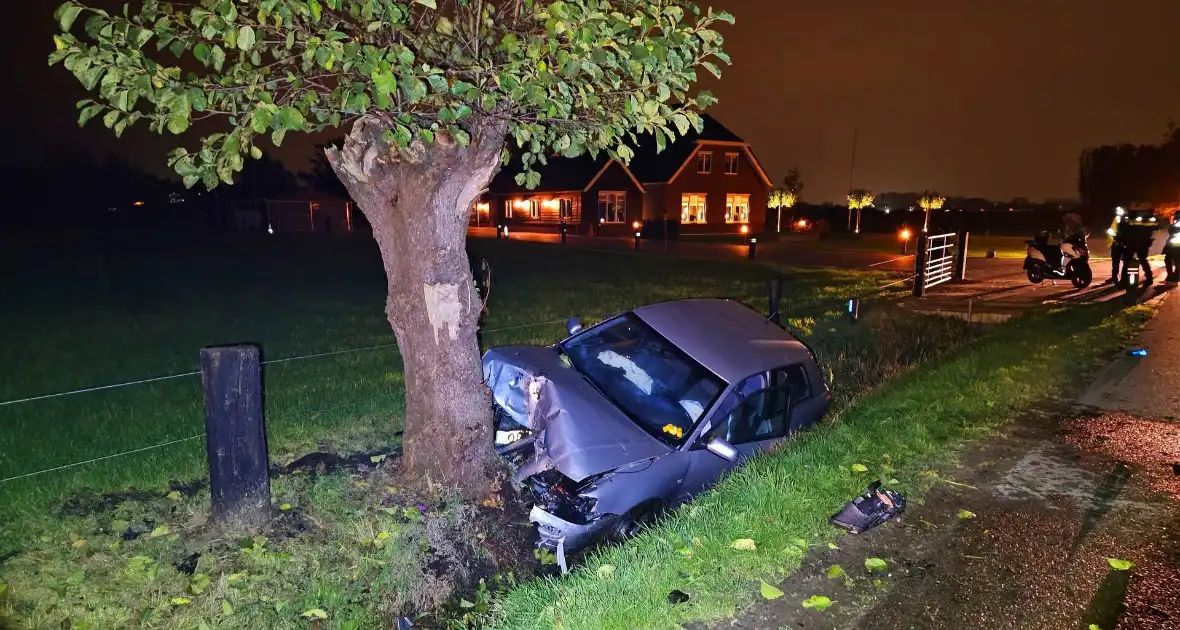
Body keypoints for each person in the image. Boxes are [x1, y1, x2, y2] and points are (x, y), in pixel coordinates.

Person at [1105, 208, 1124, 284]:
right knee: (1115, 261)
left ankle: (1118, 278)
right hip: (1115, 242)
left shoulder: (1120, 219)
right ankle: (1114, 277)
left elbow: (1119, 231)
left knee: (1117, 261)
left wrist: (1117, 239)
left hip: (1117, 242)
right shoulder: (1116, 219)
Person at [1165, 212, 1180, 284]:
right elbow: (1170, 231)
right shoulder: (1175, 223)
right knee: (1170, 260)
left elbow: (1171, 230)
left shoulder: (1176, 223)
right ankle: (1173, 275)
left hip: (1174, 245)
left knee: (1171, 260)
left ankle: (1173, 275)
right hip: (1172, 245)